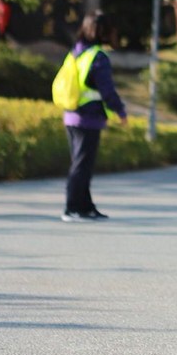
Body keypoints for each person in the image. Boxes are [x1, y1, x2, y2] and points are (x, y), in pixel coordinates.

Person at [61, 12, 128, 221]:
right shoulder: (98, 56)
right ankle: (72, 208)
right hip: (87, 119)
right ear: (103, 31)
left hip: (71, 116)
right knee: (82, 165)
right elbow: (107, 90)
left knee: (81, 163)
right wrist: (120, 111)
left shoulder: (77, 52)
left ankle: (86, 206)